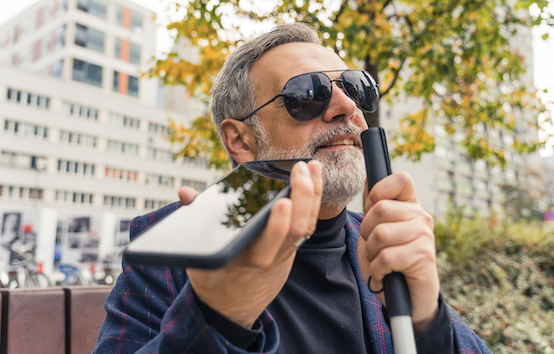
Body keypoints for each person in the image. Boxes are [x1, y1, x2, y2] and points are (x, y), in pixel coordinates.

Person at [93, 23, 492, 354]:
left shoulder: (383, 241)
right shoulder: (175, 249)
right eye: (307, 94)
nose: (347, 108)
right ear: (241, 141)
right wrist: (218, 319)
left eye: (355, 88)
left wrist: (429, 320)